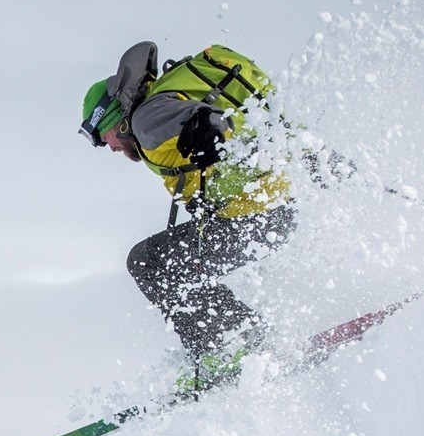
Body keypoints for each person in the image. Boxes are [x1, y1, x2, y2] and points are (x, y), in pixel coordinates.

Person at [82, 41, 292, 391]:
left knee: (148, 262)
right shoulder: (155, 111)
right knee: (171, 263)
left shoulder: (145, 120)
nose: (110, 148)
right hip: (273, 210)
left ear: (113, 121)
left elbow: (209, 120)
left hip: (258, 217)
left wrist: (206, 128)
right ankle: (242, 339)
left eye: (102, 139)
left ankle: (231, 347)